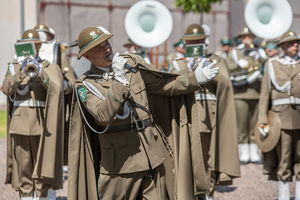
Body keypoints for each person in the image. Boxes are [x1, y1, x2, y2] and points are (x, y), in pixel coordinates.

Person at [67, 26, 219, 200]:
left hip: (151, 154)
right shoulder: (85, 85)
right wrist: (119, 81)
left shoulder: (130, 65)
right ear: (87, 56)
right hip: (120, 165)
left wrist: (194, 79)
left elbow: (162, 85)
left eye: (107, 43)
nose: (107, 49)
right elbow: (103, 116)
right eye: (99, 48)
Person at [171, 23, 240, 200]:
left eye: (199, 40)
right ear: (185, 43)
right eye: (192, 41)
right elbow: (172, 88)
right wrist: (189, 69)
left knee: (208, 157)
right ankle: (189, 193)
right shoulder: (178, 63)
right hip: (187, 116)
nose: (196, 43)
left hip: (209, 116)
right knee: (188, 157)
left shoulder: (216, 59)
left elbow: (225, 84)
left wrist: (209, 68)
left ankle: (208, 192)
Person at [2, 29, 64, 200]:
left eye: (35, 44)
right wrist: (22, 72)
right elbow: (6, 89)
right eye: (27, 45)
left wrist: (39, 72)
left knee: (42, 167)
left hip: (42, 123)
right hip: (20, 123)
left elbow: (56, 88)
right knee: (24, 168)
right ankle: (27, 196)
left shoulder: (49, 67)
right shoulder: (14, 67)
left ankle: (43, 196)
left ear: (39, 46)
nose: (32, 48)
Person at [34, 23, 76, 199]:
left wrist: (62, 86)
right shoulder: (26, 56)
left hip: (53, 110)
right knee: (32, 153)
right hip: (33, 111)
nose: (42, 39)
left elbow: (72, 82)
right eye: (39, 36)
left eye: (45, 35)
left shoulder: (58, 54)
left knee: (50, 152)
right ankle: (31, 191)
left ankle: (49, 192)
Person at [257, 31, 300, 200]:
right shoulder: (273, 64)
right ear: (282, 47)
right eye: (291, 43)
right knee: (284, 157)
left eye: (296, 43)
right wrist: (262, 119)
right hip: (280, 119)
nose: (295, 45)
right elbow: (264, 95)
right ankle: (283, 195)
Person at [226, 27, 267, 164]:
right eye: (244, 37)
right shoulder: (235, 52)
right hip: (241, 92)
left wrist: (260, 58)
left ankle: (254, 152)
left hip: (256, 91)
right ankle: (244, 151)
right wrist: (237, 64)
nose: (247, 39)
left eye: (249, 37)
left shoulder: (259, 51)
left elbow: (267, 65)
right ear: (241, 39)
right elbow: (227, 65)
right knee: (242, 123)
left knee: (255, 122)